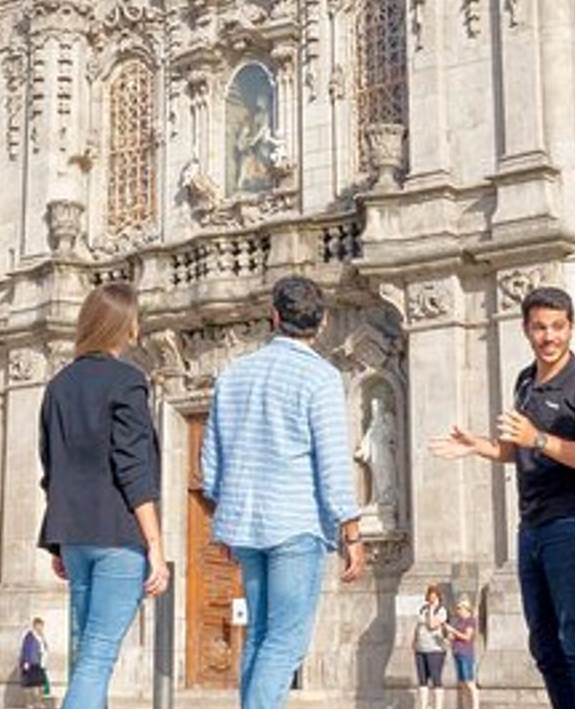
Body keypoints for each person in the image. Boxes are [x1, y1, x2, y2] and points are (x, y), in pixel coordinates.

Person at [428, 285, 575, 709]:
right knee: (545, 646)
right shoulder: (526, 382)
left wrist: (540, 438)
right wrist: (478, 445)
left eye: (557, 327)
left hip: (574, 523)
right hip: (531, 528)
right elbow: (518, 449)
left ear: (572, 328)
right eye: (539, 328)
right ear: (526, 330)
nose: (548, 337)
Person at [201, 276, 366, 709]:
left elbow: (210, 465)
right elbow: (332, 464)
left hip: (244, 525)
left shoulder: (232, 375)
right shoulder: (321, 377)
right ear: (323, 322)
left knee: (259, 634)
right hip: (295, 524)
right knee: (287, 642)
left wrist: (229, 507)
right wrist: (351, 532)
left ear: (274, 317)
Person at [38, 282, 170, 709]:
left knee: (87, 659)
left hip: (74, 537)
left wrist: (59, 542)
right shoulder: (127, 382)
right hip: (117, 534)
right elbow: (133, 468)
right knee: (96, 659)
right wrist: (155, 544)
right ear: (125, 326)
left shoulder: (58, 386)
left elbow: (52, 467)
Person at [412, 583, 449, 708]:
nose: (431, 598)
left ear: (438, 597)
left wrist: (432, 609)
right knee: (422, 680)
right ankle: (423, 706)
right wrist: (414, 640)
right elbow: (418, 626)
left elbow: (432, 625)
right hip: (420, 647)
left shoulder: (441, 610)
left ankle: (437, 707)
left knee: (435, 678)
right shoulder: (423, 609)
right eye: (430, 596)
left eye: (434, 596)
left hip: (435, 649)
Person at [448, 597, 479, 709]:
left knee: (469, 682)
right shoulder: (458, 621)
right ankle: (464, 706)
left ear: (466, 609)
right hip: (457, 652)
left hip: (466, 653)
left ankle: (475, 707)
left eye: (460, 608)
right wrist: (450, 635)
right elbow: (454, 637)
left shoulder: (471, 620)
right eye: (457, 608)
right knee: (462, 684)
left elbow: (467, 637)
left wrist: (453, 632)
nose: (458, 610)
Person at [18, 617, 51, 709]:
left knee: (40, 684)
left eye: (42, 626)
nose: (41, 628)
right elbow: (26, 649)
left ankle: (38, 703)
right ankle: (29, 704)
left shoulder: (41, 637)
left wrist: (43, 638)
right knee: (29, 685)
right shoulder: (29, 636)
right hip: (31, 663)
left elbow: (46, 648)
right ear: (35, 625)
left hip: (40, 663)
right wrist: (26, 662)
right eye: (40, 626)